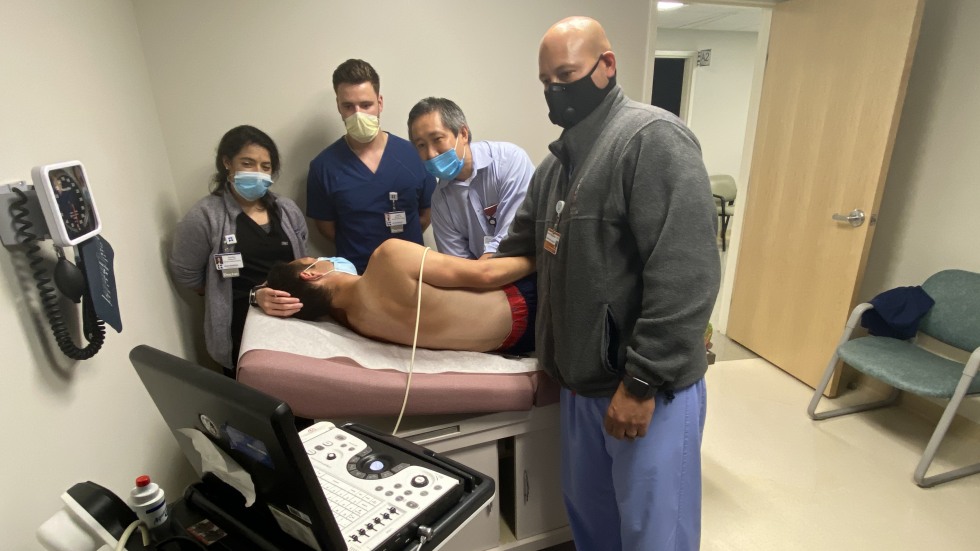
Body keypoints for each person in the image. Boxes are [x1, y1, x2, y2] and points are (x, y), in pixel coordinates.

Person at [493, 17, 721, 550]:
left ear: (607, 65)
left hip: (646, 390)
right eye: (546, 80)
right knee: (593, 528)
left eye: (566, 74)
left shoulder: (651, 140)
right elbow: (516, 253)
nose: (555, 90)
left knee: (653, 537)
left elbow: (687, 275)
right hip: (581, 389)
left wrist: (642, 382)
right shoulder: (555, 168)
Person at [170, 125, 308, 375]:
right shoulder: (205, 216)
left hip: (291, 323)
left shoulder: (286, 209)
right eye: (248, 163)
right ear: (227, 163)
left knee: (299, 398)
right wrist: (232, 295)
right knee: (253, 404)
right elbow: (186, 273)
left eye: (265, 167)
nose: (258, 172)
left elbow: (301, 255)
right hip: (239, 329)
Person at [265, 239, 536, 355]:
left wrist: (259, 295)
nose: (322, 258)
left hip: (516, 344)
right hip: (528, 299)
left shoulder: (352, 320)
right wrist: (542, 257)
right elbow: (486, 274)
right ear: (311, 275)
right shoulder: (388, 258)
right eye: (314, 259)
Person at [306, 59, 436, 274]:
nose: (358, 114)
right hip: (356, 278)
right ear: (338, 106)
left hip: (414, 273)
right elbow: (327, 229)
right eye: (348, 106)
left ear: (380, 103)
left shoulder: (414, 154)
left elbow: (427, 214)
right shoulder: (323, 166)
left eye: (366, 105)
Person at [407, 97, 534, 259]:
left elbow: (513, 240)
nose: (431, 154)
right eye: (421, 145)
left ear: (463, 134)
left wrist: (478, 274)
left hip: (526, 270)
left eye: (437, 139)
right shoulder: (440, 201)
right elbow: (457, 263)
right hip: (481, 280)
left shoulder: (509, 161)